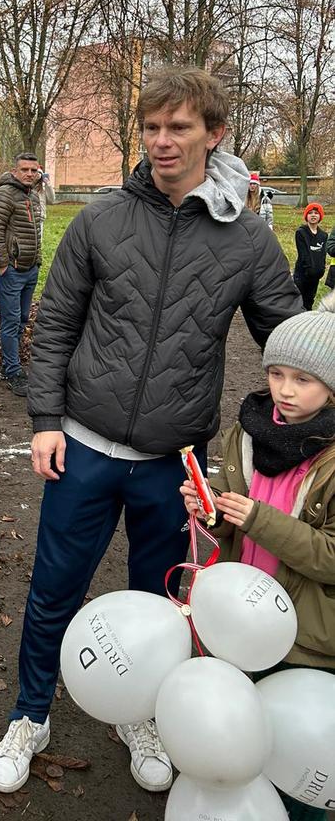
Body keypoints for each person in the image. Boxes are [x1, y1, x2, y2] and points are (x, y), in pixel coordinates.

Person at [0, 66, 304, 797]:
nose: (162, 140)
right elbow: (55, 325)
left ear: (213, 134)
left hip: (174, 461)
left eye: (179, 127)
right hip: (85, 448)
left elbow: (287, 338)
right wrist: (45, 420)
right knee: (54, 591)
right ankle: (30, 714)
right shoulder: (100, 219)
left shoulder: (247, 239)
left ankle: (141, 715)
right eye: (152, 127)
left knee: (161, 602)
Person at [181, 300, 335, 821]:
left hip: (302, 639)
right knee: (231, 739)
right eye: (276, 374)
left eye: (303, 380)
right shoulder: (246, 433)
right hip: (237, 619)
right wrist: (210, 508)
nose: (285, 390)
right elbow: (231, 522)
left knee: (295, 760)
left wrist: (257, 518)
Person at [0, 153, 43, 397]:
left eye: (33, 170)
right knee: (10, 322)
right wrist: (3, 265)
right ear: (15, 171)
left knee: (21, 320)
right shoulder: (5, 194)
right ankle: (12, 372)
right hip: (11, 270)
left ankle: (11, 363)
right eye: (24, 170)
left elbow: (36, 231)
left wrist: (37, 261)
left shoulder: (32, 195)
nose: (29, 174)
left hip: (30, 269)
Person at [294, 203, 328, 310]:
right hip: (303, 274)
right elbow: (303, 254)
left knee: (309, 300)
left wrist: (321, 269)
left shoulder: (323, 235)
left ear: (320, 216)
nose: (313, 215)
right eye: (310, 213)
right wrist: (309, 270)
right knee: (300, 301)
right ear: (306, 216)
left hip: (315, 275)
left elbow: (322, 254)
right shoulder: (301, 233)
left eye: (316, 213)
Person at [33, 170, 55, 241]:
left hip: (40, 219)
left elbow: (51, 200)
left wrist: (48, 184)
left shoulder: (43, 191)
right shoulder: (27, 188)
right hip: (29, 219)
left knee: (38, 241)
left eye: (39, 174)